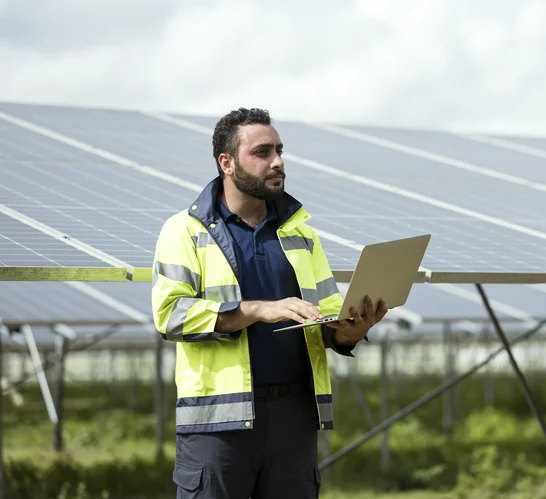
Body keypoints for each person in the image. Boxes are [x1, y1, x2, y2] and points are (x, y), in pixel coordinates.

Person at [151, 107, 388, 498]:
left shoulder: (302, 234)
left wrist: (349, 332)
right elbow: (170, 316)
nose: (278, 162)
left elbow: (325, 315)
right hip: (217, 422)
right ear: (226, 163)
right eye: (263, 153)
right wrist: (258, 310)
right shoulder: (184, 231)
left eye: (279, 150)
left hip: (295, 418)